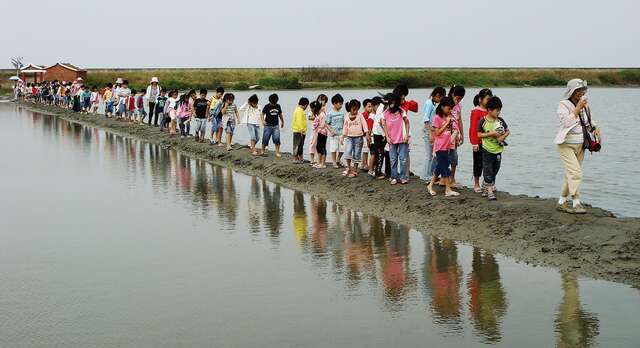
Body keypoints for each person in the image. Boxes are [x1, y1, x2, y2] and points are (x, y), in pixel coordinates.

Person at [554, 79, 601, 214]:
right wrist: (578, 108)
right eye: (579, 90)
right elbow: (566, 122)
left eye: (583, 90)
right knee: (575, 173)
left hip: (581, 144)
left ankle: (561, 202)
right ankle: (576, 202)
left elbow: (589, 122)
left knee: (570, 174)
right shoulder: (563, 105)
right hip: (565, 144)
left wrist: (595, 128)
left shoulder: (585, 105)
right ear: (572, 91)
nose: (582, 93)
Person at [478, 96, 510, 201]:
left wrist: (502, 137)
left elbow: (508, 131)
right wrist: (492, 133)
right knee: (487, 169)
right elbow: (479, 135)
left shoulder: (500, 121)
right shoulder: (483, 121)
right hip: (487, 149)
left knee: (495, 169)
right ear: (489, 110)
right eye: (497, 110)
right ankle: (490, 191)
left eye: (500, 110)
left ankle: (485, 186)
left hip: (498, 150)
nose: (499, 112)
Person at [426, 97, 459, 197]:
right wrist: (446, 124)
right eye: (449, 109)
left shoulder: (447, 117)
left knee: (440, 167)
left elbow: (451, 131)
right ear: (443, 107)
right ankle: (448, 189)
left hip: (447, 146)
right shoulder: (437, 118)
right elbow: (437, 132)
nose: (450, 111)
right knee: (445, 168)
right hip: (440, 147)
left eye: (451, 109)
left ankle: (430, 185)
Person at [381, 93, 410, 185]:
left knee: (403, 159)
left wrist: (407, 135)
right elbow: (384, 124)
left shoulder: (402, 111)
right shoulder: (385, 113)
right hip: (391, 140)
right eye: (391, 102)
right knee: (393, 159)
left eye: (394, 102)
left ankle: (402, 177)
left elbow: (407, 123)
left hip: (402, 139)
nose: (392, 104)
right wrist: (387, 137)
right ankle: (393, 177)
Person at [469, 88, 494, 193]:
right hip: (479, 142)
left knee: (489, 164)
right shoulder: (476, 112)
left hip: (489, 142)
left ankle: (488, 183)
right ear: (480, 99)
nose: (489, 101)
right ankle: (476, 184)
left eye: (490, 99)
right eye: (487, 99)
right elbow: (473, 128)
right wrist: (474, 143)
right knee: (478, 163)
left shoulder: (491, 111)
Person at [422, 87, 446, 181]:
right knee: (429, 155)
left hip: (430, 131)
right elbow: (426, 119)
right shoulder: (429, 104)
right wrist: (430, 133)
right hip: (428, 131)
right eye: (441, 98)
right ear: (437, 96)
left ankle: (429, 174)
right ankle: (426, 176)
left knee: (431, 155)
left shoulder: (432, 103)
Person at [341, 99, 369, 177]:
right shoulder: (346, 116)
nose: (355, 111)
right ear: (349, 108)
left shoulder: (360, 115)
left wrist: (366, 133)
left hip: (358, 138)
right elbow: (345, 126)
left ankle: (355, 169)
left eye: (357, 109)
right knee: (348, 152)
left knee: (357, 153)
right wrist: (342, 136)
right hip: (349, 137)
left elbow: (364, 124)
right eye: (353, 109)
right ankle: (349, 167)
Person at [448, 85, 466, 187]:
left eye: (461, 99)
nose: (458, 101)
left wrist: (462, 135)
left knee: (454, 156)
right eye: (458, 98)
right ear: (453, 95)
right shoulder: (446, 103)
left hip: (455, 135)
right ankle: (444, 178)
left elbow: (459, 120)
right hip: (446, 135)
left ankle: (452, 178)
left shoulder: (459, 106)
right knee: (444, 157)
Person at [326, 94, 345, 168]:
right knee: (333, 149)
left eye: (341, 104)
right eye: (340, 104)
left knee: (342, 149)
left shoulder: (342, 113)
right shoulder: (330, 113)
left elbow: (344, 122)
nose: (341, 105)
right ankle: (334, 162)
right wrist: (331, 130)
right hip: (333, 135)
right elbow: (326, 123)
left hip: (341, 134)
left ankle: (338, 160)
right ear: (334, 103)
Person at [309, 94, 328, 166]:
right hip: (318, 131)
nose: (322, 102)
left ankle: (322, 163)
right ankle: (318, 162)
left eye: (324, 101)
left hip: (322, 132)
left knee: (321, 147)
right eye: (321, 100)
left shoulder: (322, 114)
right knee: (317, 146)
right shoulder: (318, 113)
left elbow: (324, 124)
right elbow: (311, 118)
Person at [370, 96, 387, 179]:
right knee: (380, 154)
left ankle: (377, 171)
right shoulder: (381, 108)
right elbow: (379, 123)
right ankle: (377, 173)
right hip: (379, 134)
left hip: (378, 133)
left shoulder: (380, 107)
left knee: (379, 153)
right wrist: (384, 135)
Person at [292, 97, 310, 164]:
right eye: (307, 106)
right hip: (299, 131)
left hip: (299, 130)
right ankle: (295, 158)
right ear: (305, 105)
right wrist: (301, 130)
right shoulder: (299, 111)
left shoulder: (298, 109)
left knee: (300, 145)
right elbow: (299, 121)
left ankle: (301, 158)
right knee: (297, 145)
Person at [361, 99, 373, 173]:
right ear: (364, 107)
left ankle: (363, 164)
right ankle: (365, 164)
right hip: (364, 135)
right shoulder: (363, 115)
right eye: (369, 106)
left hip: (369, 135)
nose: (370, 108)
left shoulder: (371, 115)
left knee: (367, 150)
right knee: (365, 150)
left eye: (371, 106)